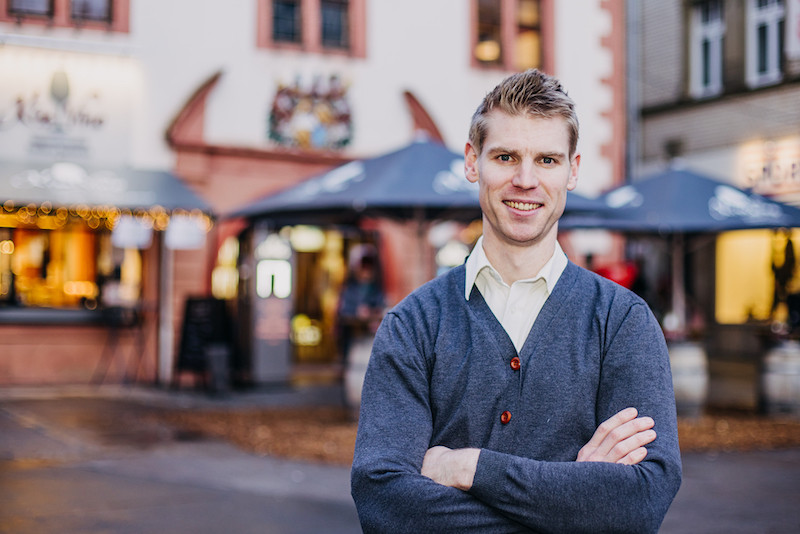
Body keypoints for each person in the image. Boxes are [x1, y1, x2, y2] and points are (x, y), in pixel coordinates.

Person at [350, 69, 682, 533]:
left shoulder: (622, 322)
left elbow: (641, 503)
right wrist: (577, 500)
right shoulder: (412, 325)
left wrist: (471, 468)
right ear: (472, 162)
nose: (526, 180)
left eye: (547, 160)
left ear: (573, 170)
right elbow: (383, 504)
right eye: (506, 156)